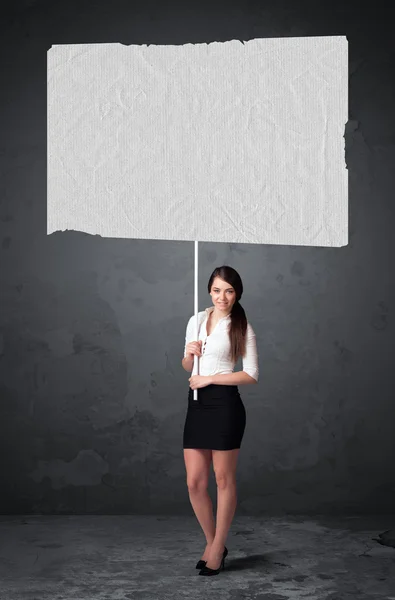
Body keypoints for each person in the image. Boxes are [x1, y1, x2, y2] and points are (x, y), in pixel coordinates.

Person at [181, 265, 259, 576]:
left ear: (237, 292)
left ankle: (216, 547)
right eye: (216, 290)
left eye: (228, 291)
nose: (222, 296)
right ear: (209, 291)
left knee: (223, 479)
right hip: (197, 405)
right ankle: (214, 542)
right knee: (194, 482)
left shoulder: (243, 327)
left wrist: (210, 378)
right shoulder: (196, 320)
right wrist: (189, 353)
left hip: (225, 406)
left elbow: (251, 375)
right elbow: (188, 366)